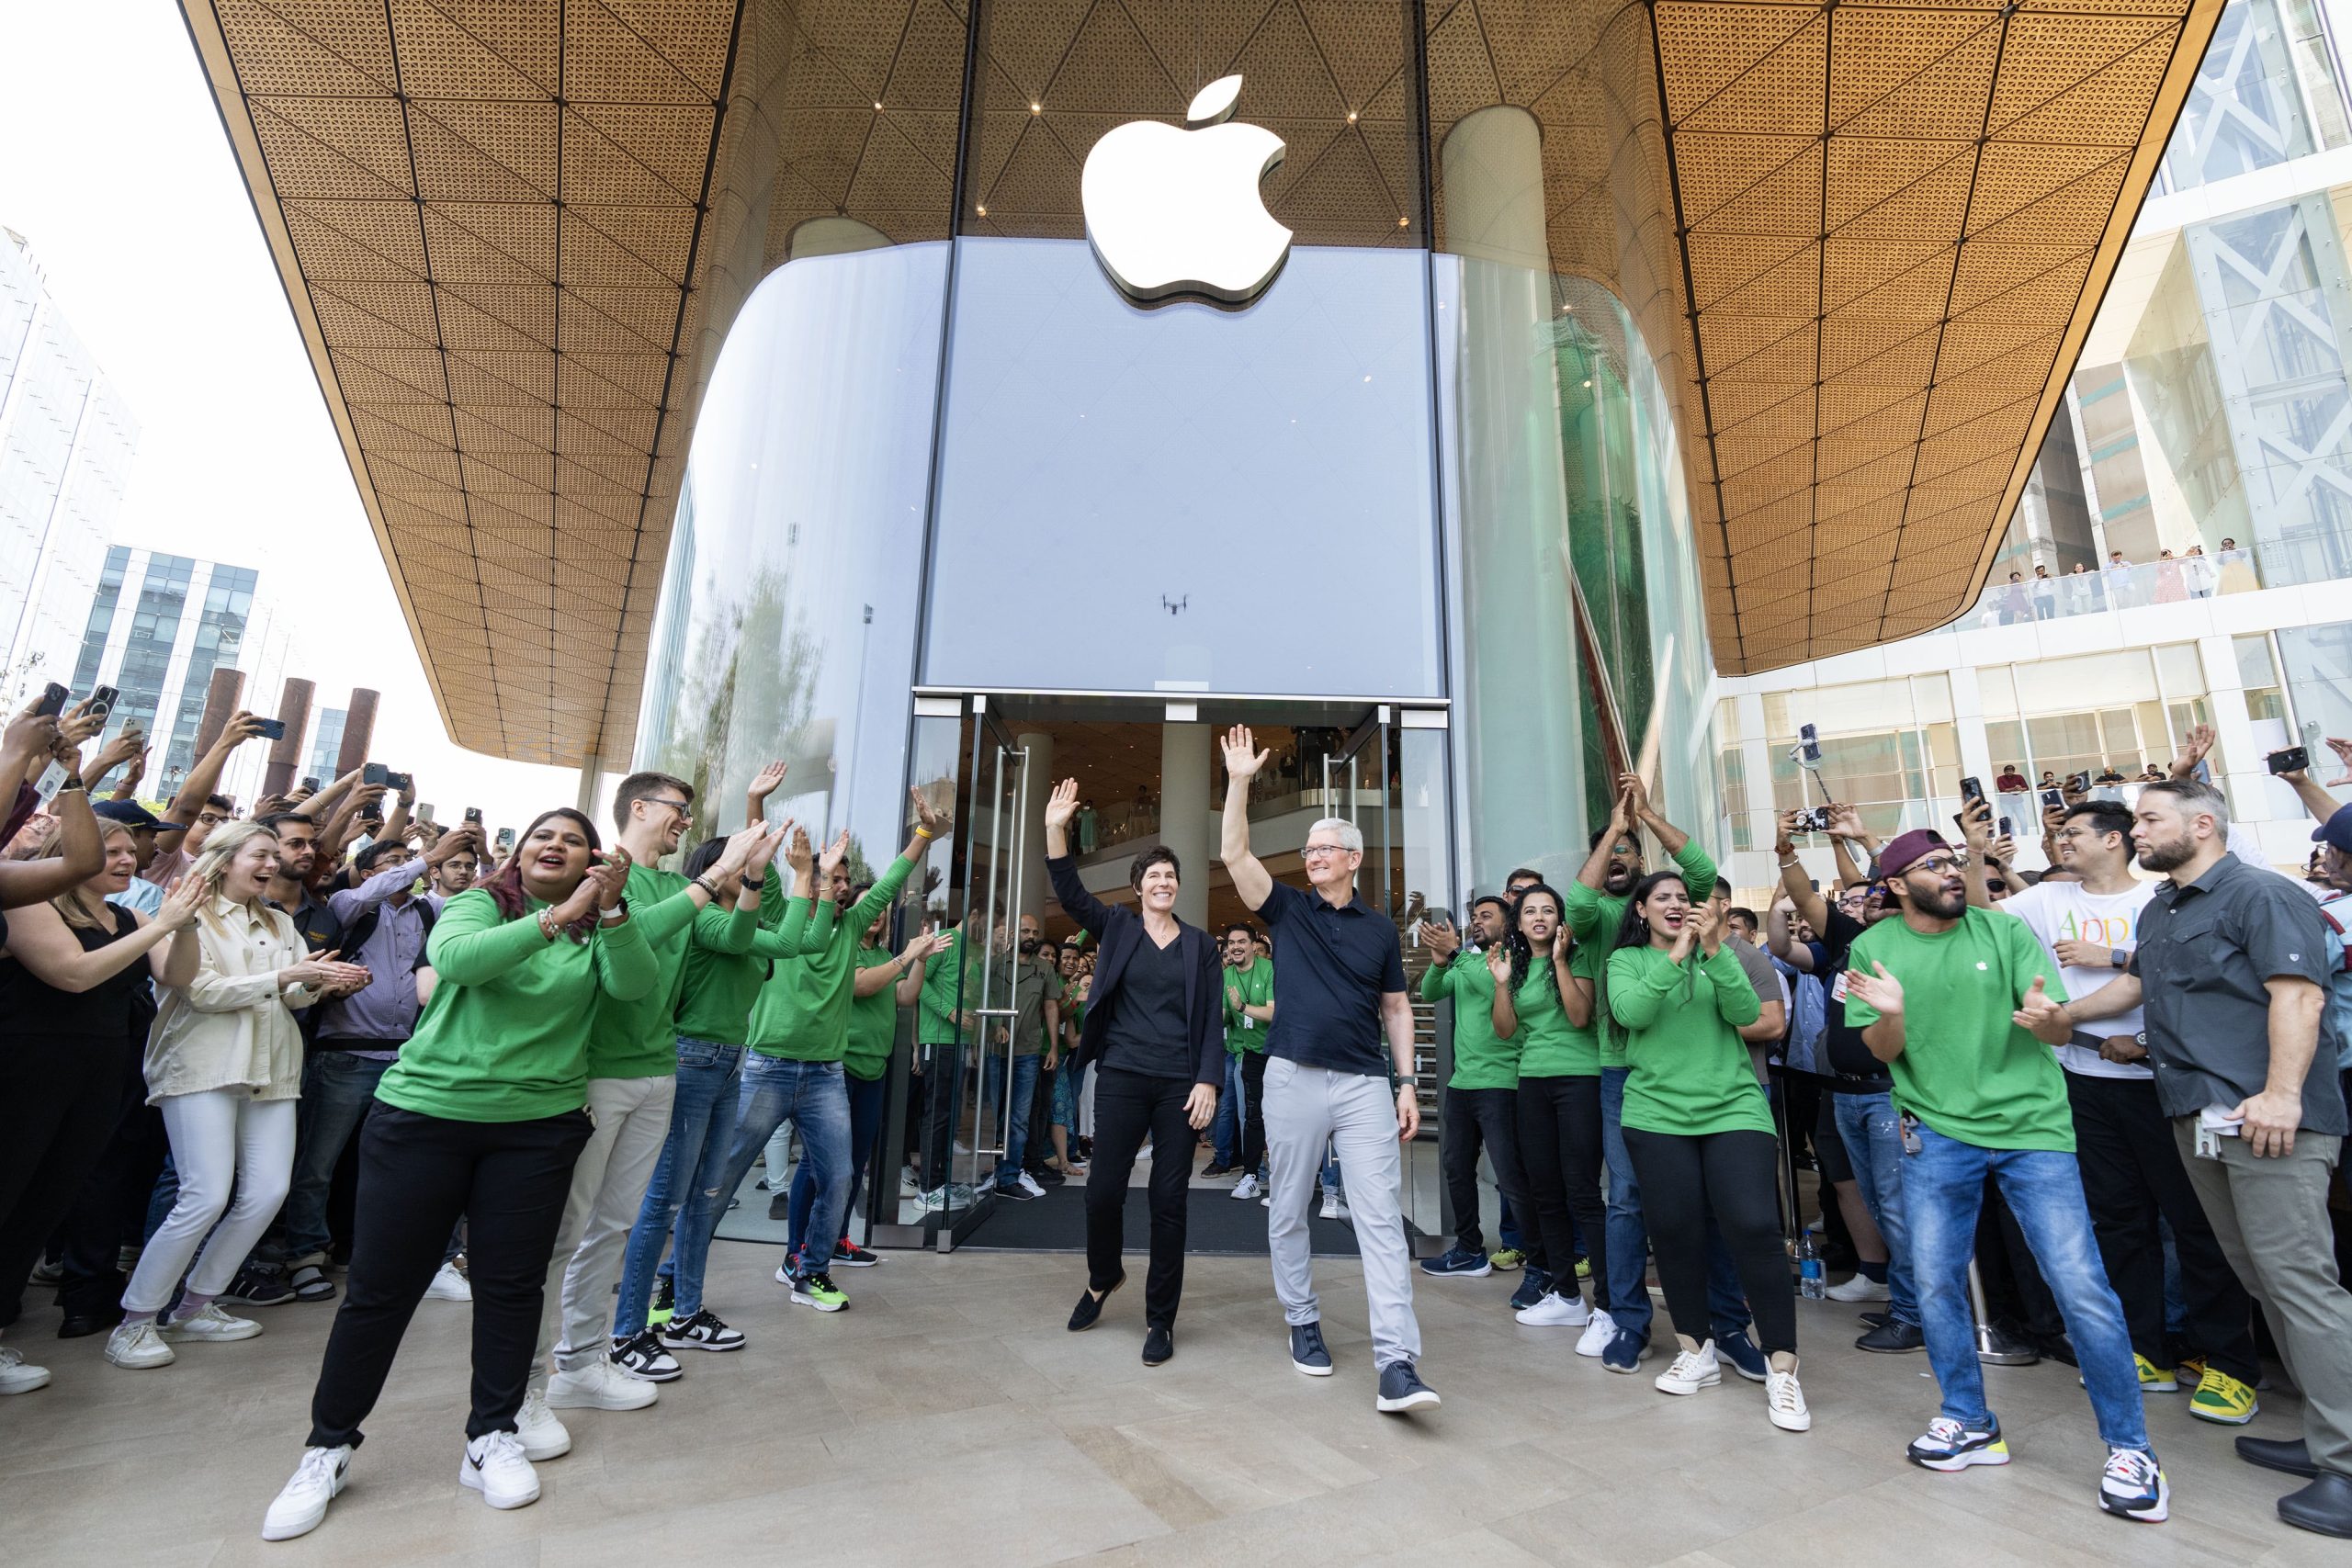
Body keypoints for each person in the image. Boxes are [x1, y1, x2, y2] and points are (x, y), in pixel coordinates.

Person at [260, 809, 648, 1540]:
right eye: (543, 834)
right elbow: (463, 961)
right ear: (521, 852)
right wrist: (558, 915)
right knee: (379, 1290)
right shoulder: (478, 903)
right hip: (425, 1119)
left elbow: (632, 987)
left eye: (572, 839)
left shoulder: (602, 926)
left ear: (592, 858)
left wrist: (614, 909)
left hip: (537, 1128)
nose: (555, 845)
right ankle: (328, 1445)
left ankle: (491, 1434)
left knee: (509, 1287)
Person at [2030, 780, 2352, 1537]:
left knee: (2302, 1284)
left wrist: (2280, 1093)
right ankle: (2324, 1435)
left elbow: (2298, 997)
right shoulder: (2162, 907)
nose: (2133, 831)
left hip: (2270, 1120)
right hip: (2200, 1122)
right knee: (2262, 1280)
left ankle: (2346, 1460)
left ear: (2202, 823)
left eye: (2148, 818)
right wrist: (2064, 1015)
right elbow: (2138, 985)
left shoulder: (2262, 894)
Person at [1840, 828, 2167, 1524]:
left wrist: (2053, 1020)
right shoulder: (1873, 949)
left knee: (2080, 1283)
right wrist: (1893, 1015)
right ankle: (1968, 1417)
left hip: (2032, 1131)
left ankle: (2131, 1448)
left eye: (1951, 862)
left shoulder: (2003, 932)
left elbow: (2048, 1028)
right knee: (1934, 1280)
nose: (1952, 873)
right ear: (1897, 885)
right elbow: (1879, 1048)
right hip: (1934, 1130)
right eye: (1933, 867)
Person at [1981, 797, 2261, 1419]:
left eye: (2073, 832)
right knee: (2118, 1220)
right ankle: (2145, 1349)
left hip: (2158, 1084)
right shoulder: (2048, 901)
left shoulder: (2156, 902)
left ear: (2113, 841)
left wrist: (2085, 1018)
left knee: (2195, 1224)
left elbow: (2160, 981)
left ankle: (2230, 1364)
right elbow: (1983, 913)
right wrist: (1978, 854)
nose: (2061, 842)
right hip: (2083, 1082)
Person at [531, 776, 775, 1427]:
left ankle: (584, 1361)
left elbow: (736, 936)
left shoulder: (675, 886)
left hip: (658, 1067)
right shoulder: (602, 872)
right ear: (639, 808)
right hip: (595, 1073)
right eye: (678, 811)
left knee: (614, 1222)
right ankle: (535, 1379)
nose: (685, 823)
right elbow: (632, 933)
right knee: (567, 1229)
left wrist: (748, 879)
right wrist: (718, 871)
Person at [1218, 728, 1436, 1413]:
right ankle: (1301, 1318)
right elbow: (1234, 853)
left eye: (1323, 849)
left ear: (1353, 858)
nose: (1312, 856)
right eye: (1308, 849)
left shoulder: (1377, 928)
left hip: (1365, 1082)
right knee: (1289, 1206)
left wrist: (1406, 1082)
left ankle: (1397, 1361)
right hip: (1291, 1075)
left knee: (1378, 1217)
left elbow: (1396, 1007)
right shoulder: (1287, 910)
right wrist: (1239, 780)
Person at [107, 821, 368, 1373]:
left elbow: (293, 997)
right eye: (262, 854)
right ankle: (134, 1322)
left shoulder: (278, 920)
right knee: (203, 1194)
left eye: (277, 856)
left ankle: (196, 1306)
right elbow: (198, 993)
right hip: (203, 1066)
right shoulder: (187, 912)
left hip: (271, 1068)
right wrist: (287, 978)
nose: (273, 863)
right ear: (226, 860)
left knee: (269, 1191)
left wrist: (322, 982)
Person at [694, 791, 938, 1316]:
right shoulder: (783, 912)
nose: (841, 885)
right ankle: (675, 1279)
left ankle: (812, 1271)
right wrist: (756, 800)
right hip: (768, 1067)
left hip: (827, 1074)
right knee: (724, 1175)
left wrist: (923, 835)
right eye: (834, 877)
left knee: (842, 1176)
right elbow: (759, 861)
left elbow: (893, 880)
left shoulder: (852, 926)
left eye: (847, 880)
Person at [0, 817, 208, 1394]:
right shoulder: (30, 904)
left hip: (101, 1072)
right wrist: (160, 924)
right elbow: (72, 974)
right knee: (7, 1192)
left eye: (127, 853)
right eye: (109, 852)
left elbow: (179, 975)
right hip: (27, 1067)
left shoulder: (129, 916)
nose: (125, 861)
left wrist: (183, 926)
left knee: (44, 1202)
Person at [1568, 773, 1757, 1378]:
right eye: (1608, 851)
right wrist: (1616, 829)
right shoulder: (1600, 918)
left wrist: (1645, 816)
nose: (1617, 857)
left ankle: (1726, 1325)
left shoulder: (1680, 906)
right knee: (1626, 1201)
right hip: (1625, 1076)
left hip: (1701, 1078)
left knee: (1712, 1205)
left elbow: (1698, 874)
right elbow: (1576, 901)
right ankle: (1628, 1320)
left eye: (1626, 852)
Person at [1607, 872, 1808, 1430]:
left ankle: (1783, 1369)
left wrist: (1714, 949)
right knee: (1674, 1233)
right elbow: (1631, 1014)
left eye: (1683, 899)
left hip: (1733, 1108)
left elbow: (1749, 1015)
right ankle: (1696, 1352)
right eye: (1662, 899)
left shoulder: (1720, 956)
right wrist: (1675, 956)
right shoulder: (1626, 962)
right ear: (1643, 911)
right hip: (1655, 1113)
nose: (1676, 905)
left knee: (1752, 1227)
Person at [1045, 777, 1220, 1365]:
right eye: (1153, 876)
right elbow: (1069, 893)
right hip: (1120, 1075)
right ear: (1138, 887)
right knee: (1101, 1193)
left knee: (1169, 1199)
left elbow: (1211, 1025)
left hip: (1179, 1084)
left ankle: (1160, 1319)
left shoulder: (1200, 947)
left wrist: (1208, 1080)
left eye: (1170, 876)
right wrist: (1056, 828)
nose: (1163, 882)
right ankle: (1103, 1277)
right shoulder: (1117, 929)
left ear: (1178, 886)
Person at [273, 830, 482, 1305]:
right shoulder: (350, 904)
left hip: (407, 1057)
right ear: (368, 872)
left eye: (408, 860)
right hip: (346, 1056)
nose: (404, 867)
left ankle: (423, 1258)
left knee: (418, 1167)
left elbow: (479, 902)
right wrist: (428, 856)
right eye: (392, 862)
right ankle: (304, 1256)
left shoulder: (431, 910)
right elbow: (368, 891)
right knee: (318, 1166)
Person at [1768, 811, 1919, 1353]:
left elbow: (1907, 877)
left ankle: (1914, 1312)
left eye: (1880, 891)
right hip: (1844, 1092)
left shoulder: (1917, 942)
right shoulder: (1852, 941)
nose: (1869, 897)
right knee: (1877, 1200)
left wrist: (1865, 840)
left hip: (1887, 1094)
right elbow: (1806, 903)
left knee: (1899, 1203)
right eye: (1863, 895)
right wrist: (1787, 853)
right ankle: (1900, 1300)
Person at [1493, 884, 1616, 1339]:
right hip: (1532, 1081)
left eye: (1548, 910)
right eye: (1530, 911)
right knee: (1543, 1190)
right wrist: (1503, 984)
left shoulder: (1577, 955)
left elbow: (1580, 1016)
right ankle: (1565, 1295)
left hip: (1579, 1079)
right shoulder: (1516, 965)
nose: (1539, 917)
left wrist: (1561, 961)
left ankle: (1606, 1304)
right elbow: (1505, 1031)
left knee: (1582, 1191)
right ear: (1519, 921)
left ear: (1560, 919)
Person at [1220, 924, 1274, 1200]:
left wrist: (1242, 1007)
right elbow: (1223, 1017)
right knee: (1251, 1116)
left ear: (1254, 945)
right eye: (1232, 943)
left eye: (1242, 941)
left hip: (1277, 1054)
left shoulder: (1268, 970)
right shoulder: (1226, 974)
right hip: (1248, 1054)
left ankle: (1280, 1178)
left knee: (1279, 1118)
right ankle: (1251, 1175)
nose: (1236, 946)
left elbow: (1273, 1013)